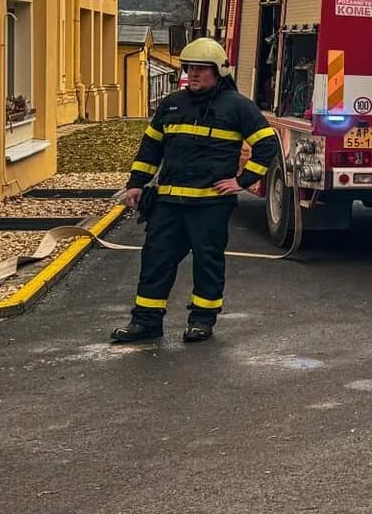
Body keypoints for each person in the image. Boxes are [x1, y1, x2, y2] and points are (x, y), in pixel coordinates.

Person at [109, 39, 282, 346]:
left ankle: (202, 321)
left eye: (202, 69)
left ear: (219, 71)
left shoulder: (237, 106)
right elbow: (151, 147)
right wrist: (136, 183)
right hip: (168, 202)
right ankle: (145, 322)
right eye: (190, 68)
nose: (194, 74)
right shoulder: (172, 103)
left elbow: (267, 144)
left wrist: (242, 181)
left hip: (210, 205)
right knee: (156, 260)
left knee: (207, 263)